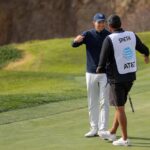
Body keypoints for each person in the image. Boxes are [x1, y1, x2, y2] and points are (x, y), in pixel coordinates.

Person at [96, 15, 149, 146]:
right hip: (130, 77)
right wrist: (146, 56)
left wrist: (99, 71)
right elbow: (144, 49)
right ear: (121, 24)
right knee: (120, 106)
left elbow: (101, 63)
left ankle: (124, 139)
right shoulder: (131, 35)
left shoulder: (109, 39)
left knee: (119, 108)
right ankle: (112, 132)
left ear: (110, 27)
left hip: (117, 79)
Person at [72, 13, 110, 137]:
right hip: (91, 73)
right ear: (93, 23)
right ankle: (94, 128)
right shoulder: (88, 34)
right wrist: (75, 40)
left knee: (104, 102)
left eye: (103, 22)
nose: (101, 24)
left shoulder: (109, 35)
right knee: (92, 101)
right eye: (99, 22)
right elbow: (74, 45)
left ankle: (102, 129)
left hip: (105, 74)